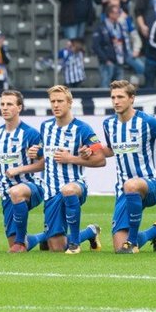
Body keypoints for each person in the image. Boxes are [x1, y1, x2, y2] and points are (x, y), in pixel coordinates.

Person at [26, 85, 105, 254]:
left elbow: (100, 159)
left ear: (69, 103)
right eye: (53, 101)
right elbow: (43, 153)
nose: (56, 105)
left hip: (75, 185)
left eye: (60, 101)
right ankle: (90, 232)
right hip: (51, 192)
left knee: (68, 190)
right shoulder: (45, 127)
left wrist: (72, 158)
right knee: (56, 247)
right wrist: (36, 152)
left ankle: (75, 244)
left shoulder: (83, 129)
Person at [100, 80, 156, 253]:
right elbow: (111, 149)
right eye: (113, 97)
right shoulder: (108, 124)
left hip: (150, 184)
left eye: (120, 97)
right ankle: (155, 231)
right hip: (123, 189)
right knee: (119, 248)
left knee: (132, 184)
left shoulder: (148, 122)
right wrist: (89, 151)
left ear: (132, 98)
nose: (116, 101)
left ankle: (132, 241)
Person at [0, 90, 47, 252]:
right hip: (7, 192)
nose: (5, 108)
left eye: (9, 104)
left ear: (19, 108)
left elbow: (43, 163)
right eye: (2, 104)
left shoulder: (30, 134)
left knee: (18, 245)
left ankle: (21, 242)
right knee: (12, 244)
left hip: (31, 186)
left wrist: (20, 169)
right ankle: (44, 236)